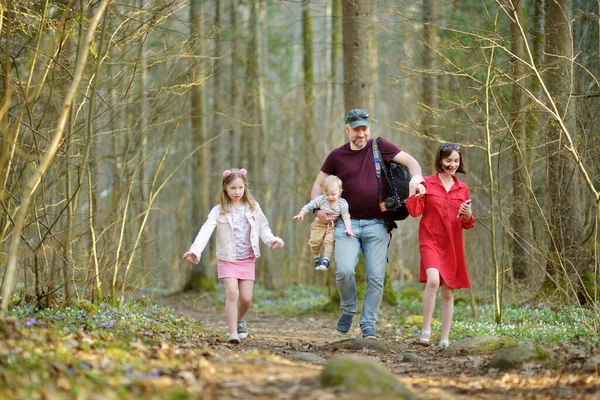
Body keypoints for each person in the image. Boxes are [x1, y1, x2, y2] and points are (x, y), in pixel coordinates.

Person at [311, 108, 426, 340]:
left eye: (364, 128)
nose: (361, 133)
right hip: (346, 223)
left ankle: (368, 325)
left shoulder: (380, 147)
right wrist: (318, 210)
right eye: (356, 129)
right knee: (344, 271)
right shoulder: (336, 156)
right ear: (347, 129)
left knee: (376, 277)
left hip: (377, 224)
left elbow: (411, 162)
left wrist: (416, 178)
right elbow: (318, 184)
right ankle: (349, 309)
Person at [182, 168, 284, 344]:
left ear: (245, 187)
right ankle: (233, 333)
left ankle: (239, 320)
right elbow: (205, 230)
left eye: (240, 188)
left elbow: (263, 228)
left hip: (247, 258)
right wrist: (195, 250)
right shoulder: (218, 210)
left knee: (246, 299)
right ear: (225, 189)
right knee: (232, 293)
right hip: (227, 258)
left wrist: (271, 240)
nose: (237, 192)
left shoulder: (253, 207)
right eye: (233, 188)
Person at [405, 143, 474, 350]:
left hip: (452, 244)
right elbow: (415, 212)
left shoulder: (463, 188)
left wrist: (469, 215)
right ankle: (426, 330)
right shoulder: (426, 182)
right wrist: (413, 191)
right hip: (430, 240)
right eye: (448, 160)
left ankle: (445, 338)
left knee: (448, 292)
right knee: (433, 280)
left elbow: (467, 223)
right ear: (440, 160)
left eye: (456, 161)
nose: (452, 165)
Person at [293, 175, 355, 271]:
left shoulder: (342, 204)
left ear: (340, 192)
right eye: (327, 194)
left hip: (331, 225)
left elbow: (346, 216)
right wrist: (301, 214)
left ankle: (326, 260)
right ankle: (317, 257)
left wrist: (348, 228)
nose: (330, 197)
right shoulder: (320, 200)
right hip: (319, 224)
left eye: (333, 194)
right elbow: (309, 206)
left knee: (329, 241)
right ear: (324, 192)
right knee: (314, 241)